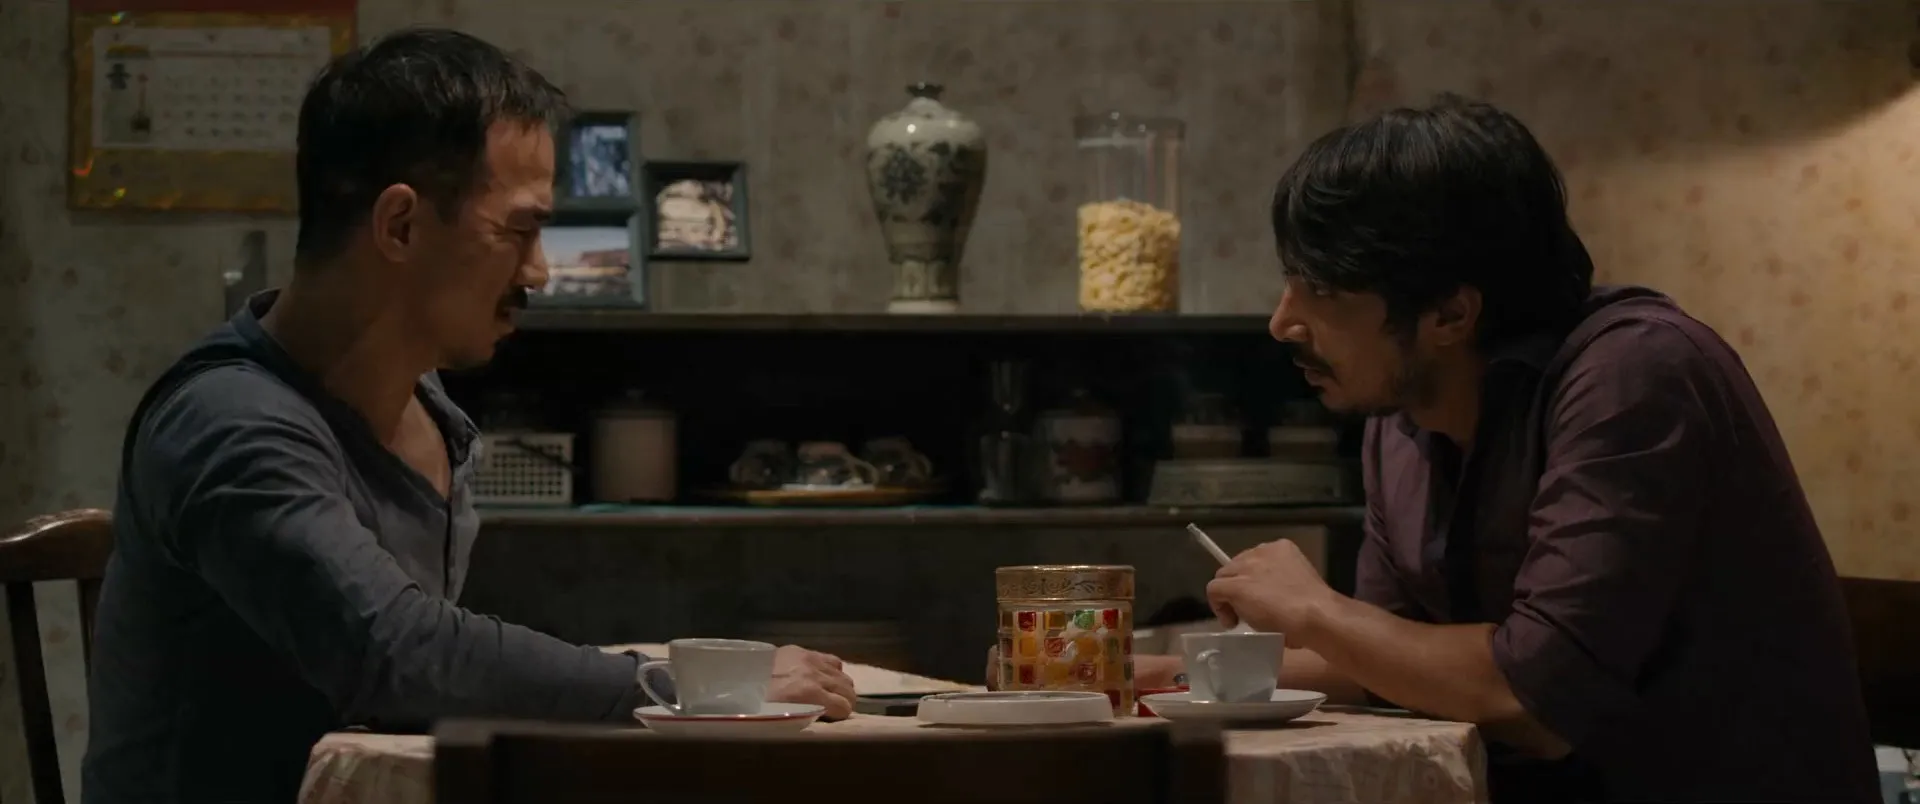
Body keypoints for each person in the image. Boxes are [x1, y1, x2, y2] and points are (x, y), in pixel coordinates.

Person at [80, 28, 854, 804]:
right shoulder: (228, 422)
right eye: (519, 230)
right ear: (401, 225)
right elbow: (398, 652)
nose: (540, 271)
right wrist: (683, 688)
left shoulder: (428, 406)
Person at [1200, 95, 1878, 802]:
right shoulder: (1398, 420)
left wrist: (1313, 609)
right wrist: (1173, 674)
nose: (1282, 321)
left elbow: (1538, 699)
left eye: (1320, 288)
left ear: (1450, 313)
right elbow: (1389, 658)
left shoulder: (1635, 375)